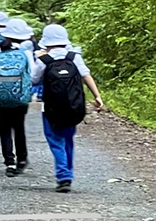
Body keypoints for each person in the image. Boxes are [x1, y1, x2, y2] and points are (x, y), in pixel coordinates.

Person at [32, 24, 103, 193]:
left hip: (50, 109)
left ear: (46, 41)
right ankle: (68, 173)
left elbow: (33, 79)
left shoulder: (44, 60)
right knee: (68, 140)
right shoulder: (74, 57)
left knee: (55, 140)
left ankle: (63, 175)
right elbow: (86, 75)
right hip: (73, 106)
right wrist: (97, 96)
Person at [0, 18, 35, 177]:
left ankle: (9, 162)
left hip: (1, 95)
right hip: (20, 95)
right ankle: (22, 159)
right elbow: (32, 75)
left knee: (4, 127)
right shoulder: (26, 52)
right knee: (19, 126)